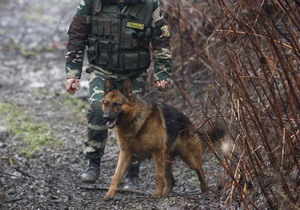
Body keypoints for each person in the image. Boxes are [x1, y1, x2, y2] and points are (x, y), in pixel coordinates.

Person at [65, 0, 172, 186]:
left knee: (136, 121)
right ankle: (93, 162)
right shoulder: (92, 2)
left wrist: (162, 72)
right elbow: (77, 34)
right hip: (101, 69)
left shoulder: (148, 5)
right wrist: (73, 73)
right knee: (99, 111)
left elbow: (161, 38)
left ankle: (132, 172)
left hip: (133, 74)